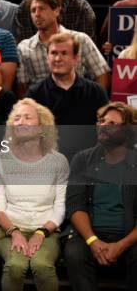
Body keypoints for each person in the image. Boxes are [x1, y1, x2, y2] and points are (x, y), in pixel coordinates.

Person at [0, 98, 69, 291]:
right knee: (15, 266)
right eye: (17, 118)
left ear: (42, 128)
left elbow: (60, 208)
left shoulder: (58, 162)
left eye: (28, 117)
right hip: (9, 229)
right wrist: (14, 232)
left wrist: (41, 233)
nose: (21, 122)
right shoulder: (2, 159)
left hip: (47, 230)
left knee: (42, 265)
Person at [64, 102, 137, 291]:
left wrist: (121, 245)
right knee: (74, 253)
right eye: (101, 121)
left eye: (112, 124)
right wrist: (92, 241)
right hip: (90, 234)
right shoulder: (82, 159)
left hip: (129, 236)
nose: (103, 126)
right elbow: (75, 206)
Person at [17, 0, 109, 96]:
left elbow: (102, 73)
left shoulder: (80, 39)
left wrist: (94, 102)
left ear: (56, 11)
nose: (37, 14)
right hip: (42, 108)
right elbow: (22, 88)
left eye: (42, 9)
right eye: (33, 10)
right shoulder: (24, 48)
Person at [26, 33, 108, 125]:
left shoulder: (96, 92)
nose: (57, 58)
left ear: (76, 59)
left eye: (64, 53)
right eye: (54, 53)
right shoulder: (34, 94)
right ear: (47, 58)